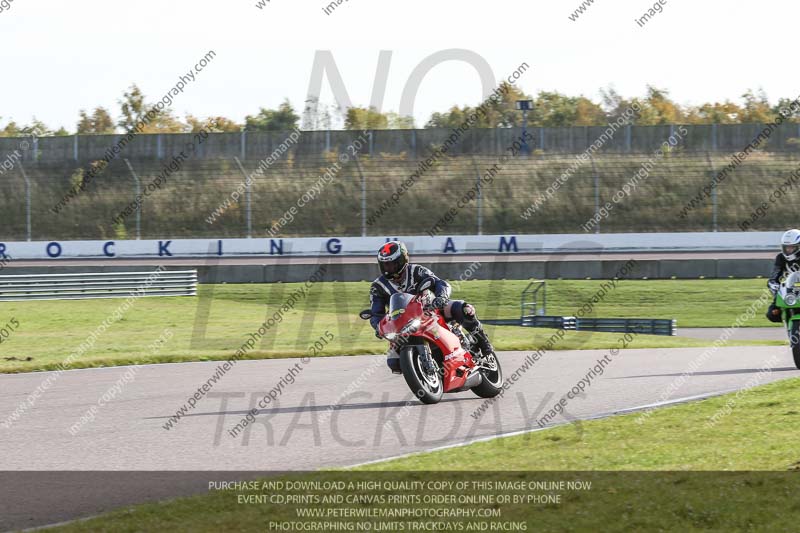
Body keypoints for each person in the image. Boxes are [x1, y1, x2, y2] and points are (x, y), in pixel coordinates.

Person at [369, 241, 494, 373]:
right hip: (401, 325)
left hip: (431, 310)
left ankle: (484, 345)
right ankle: (422, 370)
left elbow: (440, 283)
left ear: (402, 260)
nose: (389, 268)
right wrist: (378, 327)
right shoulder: (378, 286)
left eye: (392, 264)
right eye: (385, 265)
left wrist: (441, 297)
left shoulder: (416, 271)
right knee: (393, 362)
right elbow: (376, 314)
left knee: (464, 309)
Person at [766, 229, 800, 322]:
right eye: (786, 247)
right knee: (772, 314)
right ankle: (788, 321)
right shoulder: (780, 257)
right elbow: (775, 273)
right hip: (789, 289)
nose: (788, 250)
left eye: (791, 248)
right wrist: (773, 283)